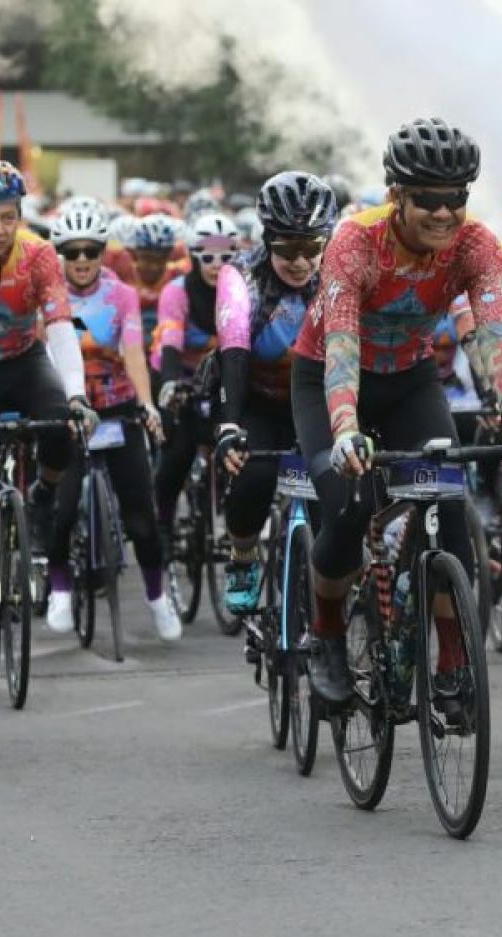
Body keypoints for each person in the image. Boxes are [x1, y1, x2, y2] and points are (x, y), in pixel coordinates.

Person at [292, 117, 502, 703]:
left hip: (409, 378)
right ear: (395, 194)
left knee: (448, 509)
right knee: (349, 509)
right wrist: (347, 429)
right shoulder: (356, 242)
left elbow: (495, 331)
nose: (444, 213)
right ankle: (326, 635)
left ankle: (452, 661)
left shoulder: (476, 245)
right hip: (328, 377)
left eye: (455, 199)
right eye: (428, 199)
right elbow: (343, 346)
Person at [0, 159, 94, 672]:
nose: (0, 228)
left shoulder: (39, 254)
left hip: (25, 362)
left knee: (60, 429)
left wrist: (75, 396)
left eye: (8, 216)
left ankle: (44, 495)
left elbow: (61, 326)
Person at [43, 205, 180, 641]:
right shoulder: (47, 293)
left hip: (117, 409)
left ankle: (159, 598)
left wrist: (146, 403)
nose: (81, 260)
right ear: (59, 255)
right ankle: (60, 589)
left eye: (91, 251)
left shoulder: (122, 295)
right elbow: (43, 357)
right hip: (70, 412)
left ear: (103, 253)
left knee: (142, 517)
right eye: (71, 252)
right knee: (62, 511)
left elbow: (134, 352)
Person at [213, 171, 337, 619]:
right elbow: (233, 351)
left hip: (322, 401)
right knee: (253, 476)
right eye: (287, 248)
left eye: (312, 247)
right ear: (267, 240)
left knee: (339, 497)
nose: (301, 261)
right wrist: (229, 425)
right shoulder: (241, 275)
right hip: (259, 400)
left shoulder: (338, 275)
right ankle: (243, 557)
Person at [151, 212, 238, 570]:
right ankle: (164, 526)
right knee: (177, 454)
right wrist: (172, 383)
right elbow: (170, 341)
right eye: (207, 255)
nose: (217, 264)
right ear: (192, 255)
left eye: (226, 255)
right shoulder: (176, 292)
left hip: (219, 376)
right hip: (180, 374)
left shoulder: (240, 290)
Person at [132, 214, 188, 356]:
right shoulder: (122, 278)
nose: (154, 266)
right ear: (135, 254)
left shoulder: (179, 277)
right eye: (147, 258)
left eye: (160, 259)